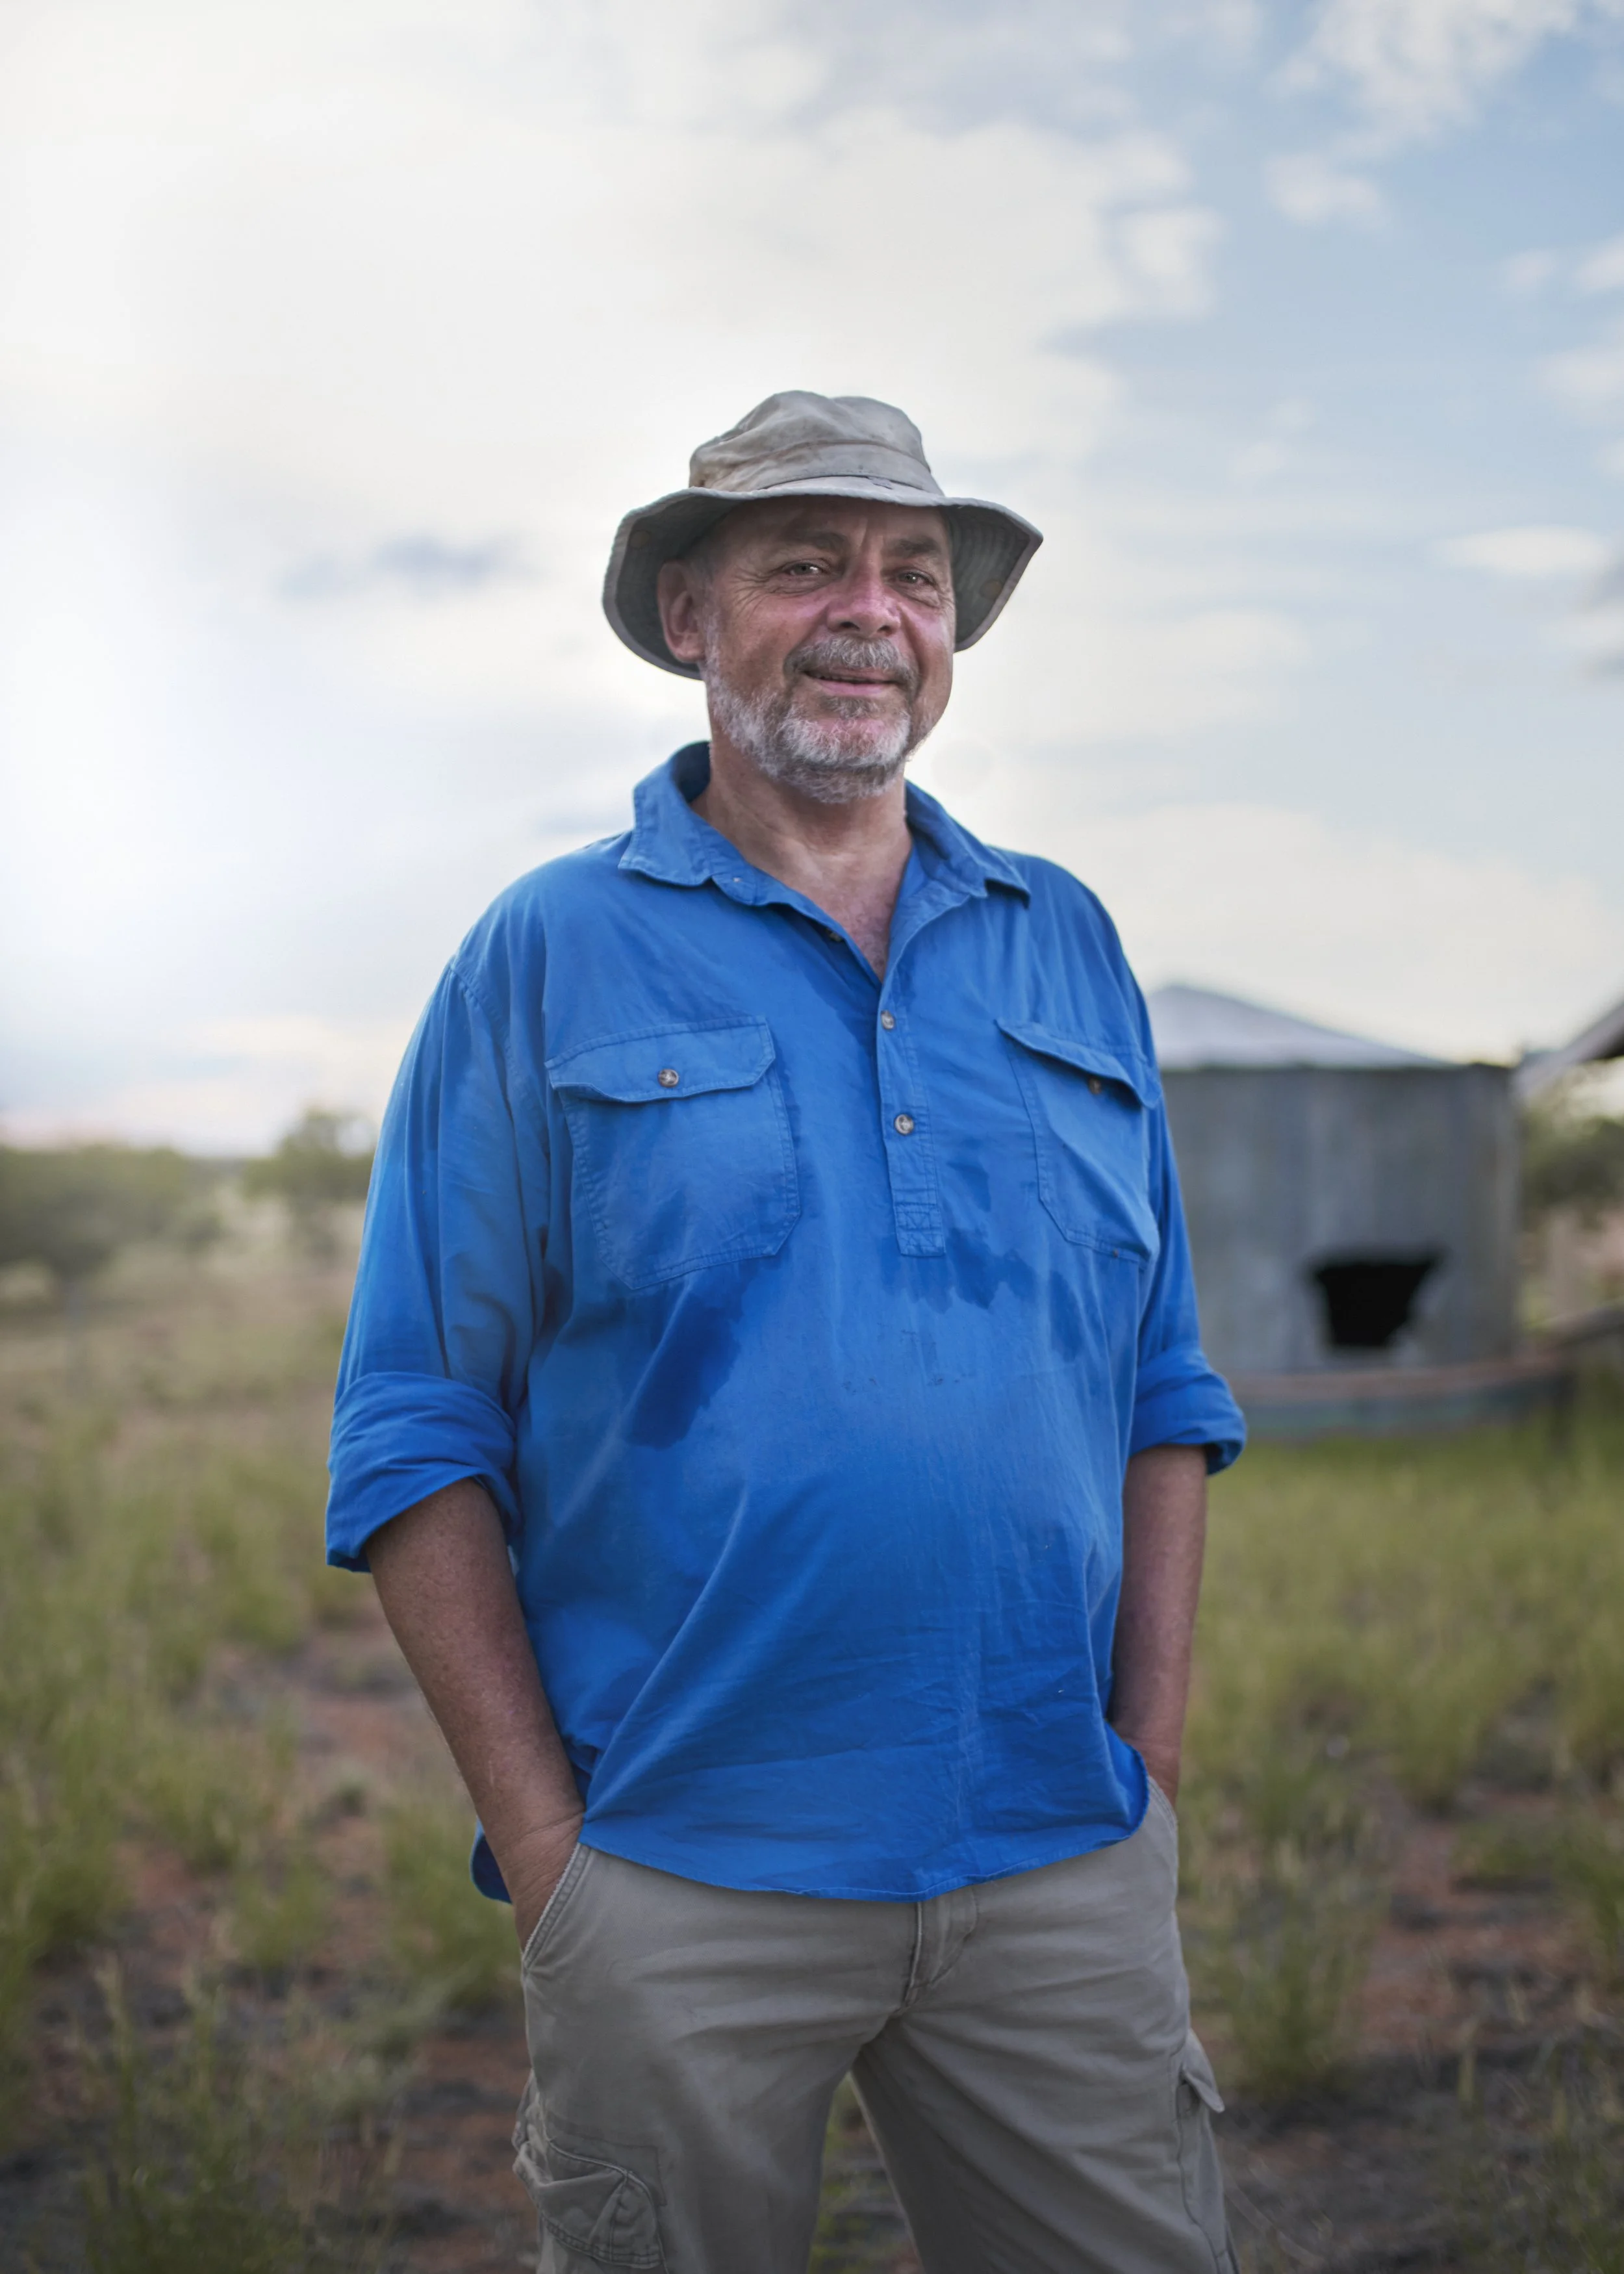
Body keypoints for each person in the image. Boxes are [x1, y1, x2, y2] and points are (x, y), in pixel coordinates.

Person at [327, 390, 1246, 2274]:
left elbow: (1162, 1376)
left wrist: (1142, 1756)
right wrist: (557, 1859)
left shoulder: (1061, 940)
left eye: (914, 574)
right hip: (679, 1869)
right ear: (688, 617)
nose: (870, 609)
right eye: (805, 563)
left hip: (1055, 1857)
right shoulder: (549, 951)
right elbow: (417, 1421)